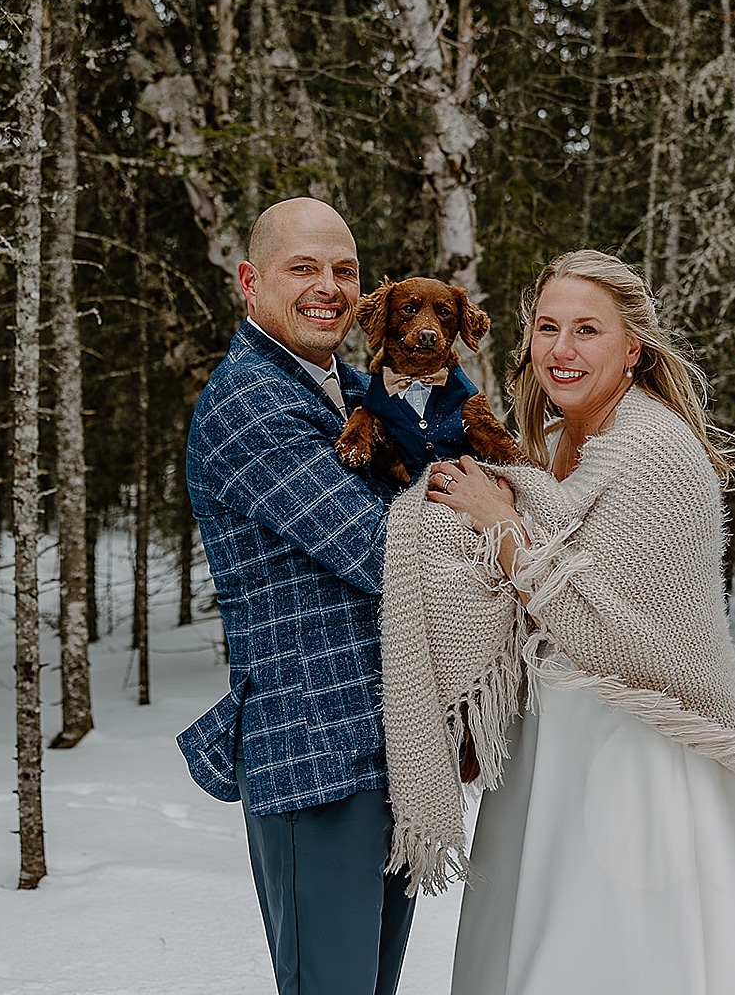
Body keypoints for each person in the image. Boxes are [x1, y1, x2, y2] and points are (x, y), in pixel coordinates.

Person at [377, 250, 735, 993]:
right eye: (548, 328)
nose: (562, 349)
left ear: (632, 348)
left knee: (622, 956)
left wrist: (497, 522)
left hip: (640, 759)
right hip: (552, 750)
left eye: (588, 330)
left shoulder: (655, 448)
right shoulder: (552, 447)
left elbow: (606, 631)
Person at [177, 197, 415, 995]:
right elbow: (389, 553)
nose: (328, 287)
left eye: (343, 270)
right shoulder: (251, 399)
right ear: (250, 282)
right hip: (314, 756)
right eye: (302, 267)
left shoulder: (355, 387)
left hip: (390, 749)